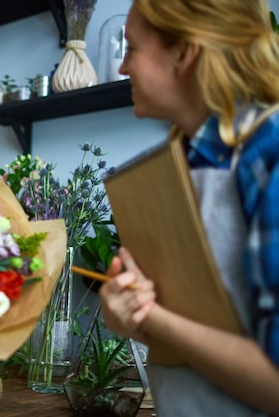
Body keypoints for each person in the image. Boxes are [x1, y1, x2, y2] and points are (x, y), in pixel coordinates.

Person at [98, 1, 279, 416]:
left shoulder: (268, 152)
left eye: (133, 49)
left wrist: (152, 317)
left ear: (184, 52)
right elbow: (203, 321)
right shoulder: (176, 163)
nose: (123, 67)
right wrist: (125, 314)